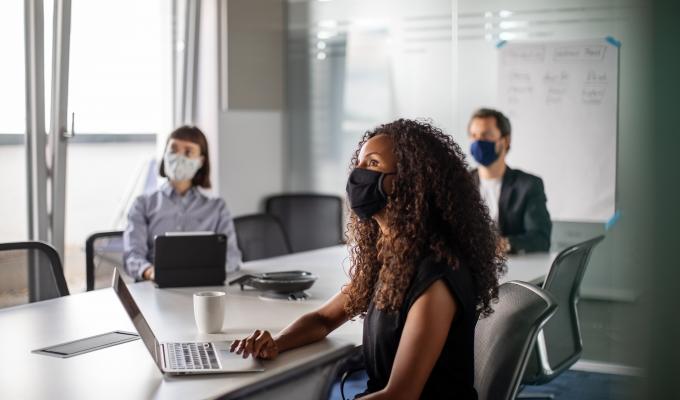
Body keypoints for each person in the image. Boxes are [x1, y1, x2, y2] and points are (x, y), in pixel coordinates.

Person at [231, 119, 504, 399]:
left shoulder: (437, 275)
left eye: (372, 164)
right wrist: (276, 342)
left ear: (410, 181)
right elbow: (324, 319)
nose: (357, 175)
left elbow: (401, 395)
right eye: (359, 164)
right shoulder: (391, 256)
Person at [123, 126, 242, 281]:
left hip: (205, 287)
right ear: (165, 154)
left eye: (188, 152)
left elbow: (232, 257)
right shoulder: (142, 204)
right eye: (173, 150)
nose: (179, 157)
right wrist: (151, 272)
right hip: (154, 286)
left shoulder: (217, 207)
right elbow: (132, 256)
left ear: (201, 161)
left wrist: (199, 272)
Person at [468, 108, 552, 254]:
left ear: (505, 141)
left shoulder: (528, 185)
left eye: (486, 135)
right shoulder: (460, 183)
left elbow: (540, 239)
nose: (478, 141)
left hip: (511, 268)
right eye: (473, 135)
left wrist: (502, 245)